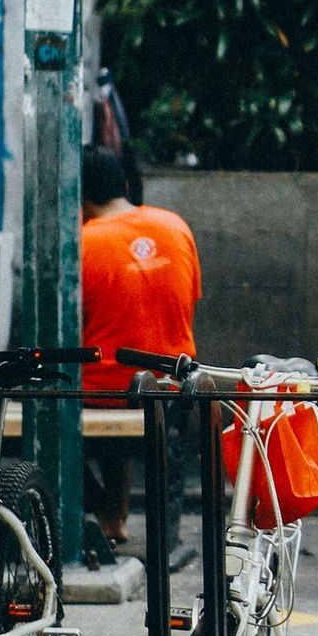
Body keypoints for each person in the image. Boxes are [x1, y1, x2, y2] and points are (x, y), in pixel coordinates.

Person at [80, 146, 202, 554]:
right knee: (130, 392)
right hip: (172, 390)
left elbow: (71, 329)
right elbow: (188, 303)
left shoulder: (81, 243)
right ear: (126, 185)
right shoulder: (175, 226)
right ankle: (122, 523)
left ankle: (102, 509)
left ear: (79, 197)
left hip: (104, 395)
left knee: (44, 416)